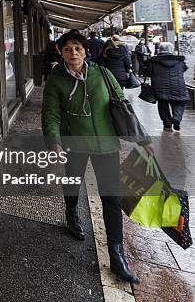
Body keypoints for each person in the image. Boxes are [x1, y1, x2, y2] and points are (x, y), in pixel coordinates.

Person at [42, 32, 154, 285]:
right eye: (68, 49)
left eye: (77, 48)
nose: (73, 53)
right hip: (75, 143)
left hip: (106, 144)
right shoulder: (55, 81)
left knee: (111, 198)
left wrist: (144, 140)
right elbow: (50, 114)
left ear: (85, 51)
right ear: (60, 52)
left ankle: (117, 254)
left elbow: (124, 106)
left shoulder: (103, 74)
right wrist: (55, 141)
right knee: (73, 182)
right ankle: (72, 213)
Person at [143, 42, 189, 131]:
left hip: (160, 87)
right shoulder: (180, 61)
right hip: (178, 86)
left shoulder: (154, 61)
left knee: (163, 105)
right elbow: (184, 69)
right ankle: (177, 119)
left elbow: (147, 73)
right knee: (179, 103)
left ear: (159, 50)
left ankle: (167, 124)